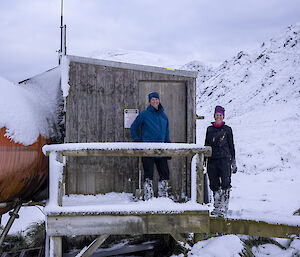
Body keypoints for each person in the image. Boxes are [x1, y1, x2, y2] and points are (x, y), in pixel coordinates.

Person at [130, 92, 171, 200]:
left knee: (165, 173)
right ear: (149, 101)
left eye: (156, 99)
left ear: (159, 100)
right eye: (152, 100)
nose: (155, 101)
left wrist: (169, 148)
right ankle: (148, 197)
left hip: (161, 149)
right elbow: (134, 127)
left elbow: (166, 133)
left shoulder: (164, 116)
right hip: (148, 149)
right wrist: (137, 139)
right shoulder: (144, 114)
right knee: (148, 174)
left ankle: (163, 197)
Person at [204, 106, 237, 217]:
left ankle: (224, 208)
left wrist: (233, 161)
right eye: (217, 115)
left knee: (226, 183)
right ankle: (217, 207)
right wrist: (204, 159)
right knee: (214, 183)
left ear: (223, 117)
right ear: (214, 116)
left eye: (220, 115)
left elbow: (231, 145)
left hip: (225, 159)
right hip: (212, 159)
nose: (218, 117)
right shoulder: (209, 129)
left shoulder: (227, 129)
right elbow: (206, 144)